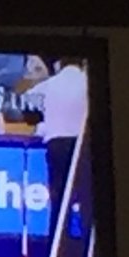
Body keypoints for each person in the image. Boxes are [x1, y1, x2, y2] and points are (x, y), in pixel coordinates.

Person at [26, 57, 90, 245]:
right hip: (80, 145)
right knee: (86, 200)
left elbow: (28, 107)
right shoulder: (87, 82)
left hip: (57, 146)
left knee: (59, 202)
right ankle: (89, 253)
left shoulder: (49, 85)